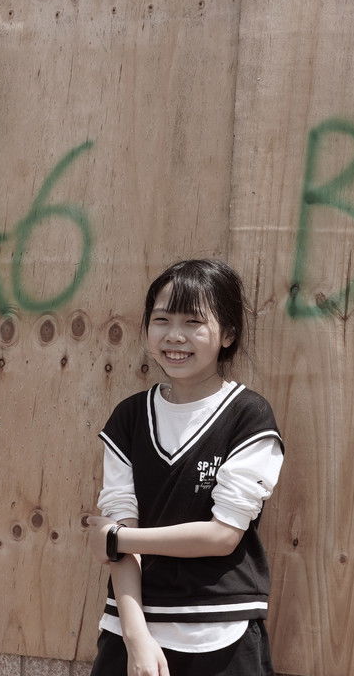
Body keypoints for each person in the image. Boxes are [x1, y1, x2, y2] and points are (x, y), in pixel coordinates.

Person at [86, 259, 283, 676]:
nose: (175, 336)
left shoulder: (248, 416)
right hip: (130, 629)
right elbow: (120, 533)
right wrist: (136, 638)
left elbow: (222, 535)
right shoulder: (129, 418)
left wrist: (118, 538)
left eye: (194, 322)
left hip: (220, 632)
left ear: (228, 334)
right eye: (162, 320)